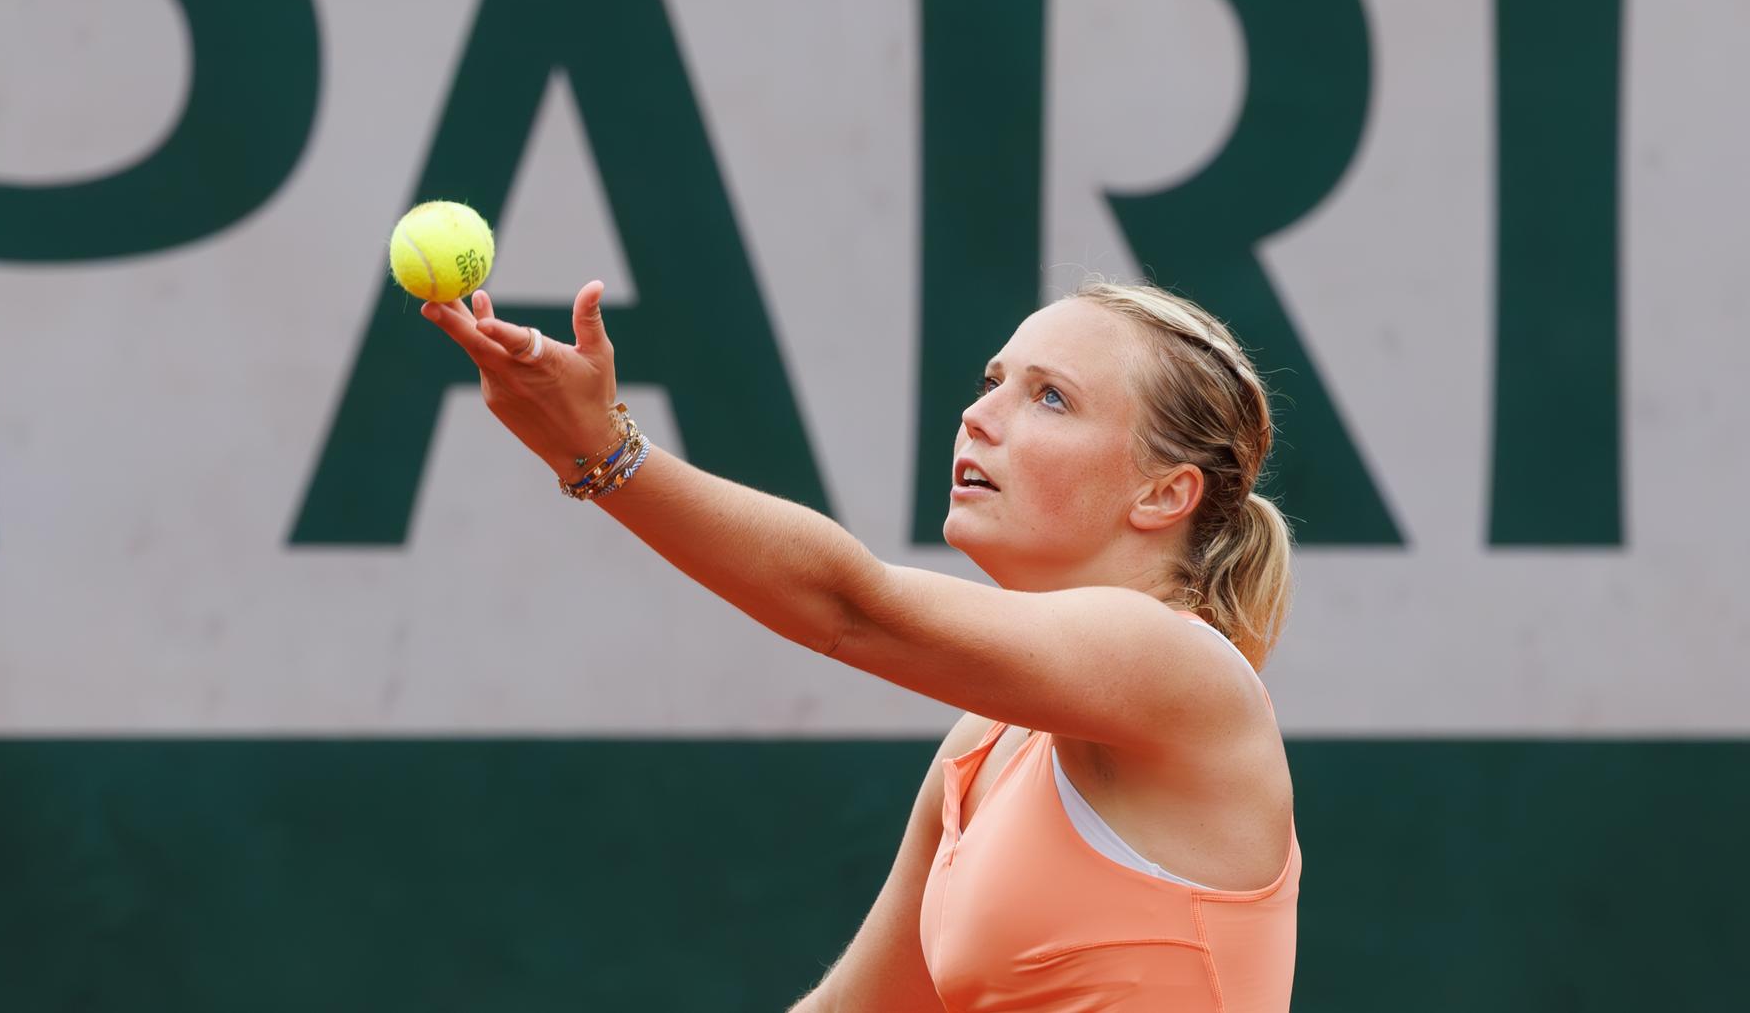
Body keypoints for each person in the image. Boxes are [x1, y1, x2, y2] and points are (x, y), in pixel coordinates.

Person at [419, 275, 1298, 1013]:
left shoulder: (1178, 668)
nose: (978, 416)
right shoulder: (985, 746)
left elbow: (849, 607)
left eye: (1051, 397)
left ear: (1163, 494)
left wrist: (603, 451)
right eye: (993, 380)